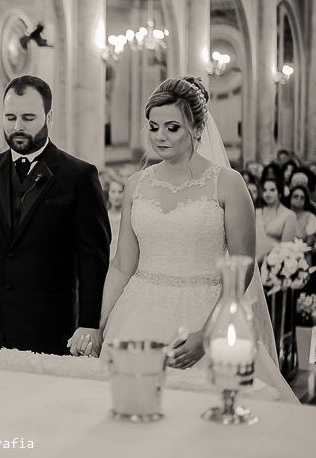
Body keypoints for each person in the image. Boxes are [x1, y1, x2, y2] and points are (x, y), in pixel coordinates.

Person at [98, 76, 296, 402]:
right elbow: (122, 264)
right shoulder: (136, 184)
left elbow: (242, 268)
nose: (160, 136)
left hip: (204, 312)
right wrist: (102, 321)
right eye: (153, 126)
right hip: (136, 314)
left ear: (197, 129)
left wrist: (209, 332)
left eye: (172, 127)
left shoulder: (228, 184)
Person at [0, 74, 110, 357]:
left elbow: (93, 259)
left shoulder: (79, 176)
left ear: (49, 118)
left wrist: (88, 324)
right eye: (10, 117)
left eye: (28, 117)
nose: (17, 127)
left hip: (51, 328)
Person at [256, 174, 297, 261]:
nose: (267, 193)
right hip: (255, 264)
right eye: (265, 190)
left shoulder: (289, 215)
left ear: (280, 193)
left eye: (272, 190)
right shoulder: (256, 212)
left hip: (275, 265)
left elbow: (286, 248)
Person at [289, 184, 316, 249]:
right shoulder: (283, 214)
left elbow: (310, 241)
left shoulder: (310, 217)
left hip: (303, 253)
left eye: (302, 198)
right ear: (290, 198)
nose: (299, 199)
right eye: (295, 196)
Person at [104, 178, 124, 262]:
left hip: (122, 261)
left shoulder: (127, 217)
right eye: (113, 191)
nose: (116, 196)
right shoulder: (104, 217)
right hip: (106, 260)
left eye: (120, 192)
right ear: (108, 193)